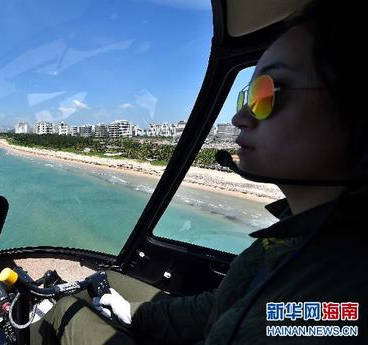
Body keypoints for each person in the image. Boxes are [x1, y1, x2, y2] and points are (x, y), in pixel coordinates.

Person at [30, 1, 368, 344]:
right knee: (104, 281)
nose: (239, 118)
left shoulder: (338, 299)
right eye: (245, 97)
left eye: (267, 93)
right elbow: (219, 308)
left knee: (64, 310)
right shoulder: (294, 238)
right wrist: (134, 314)